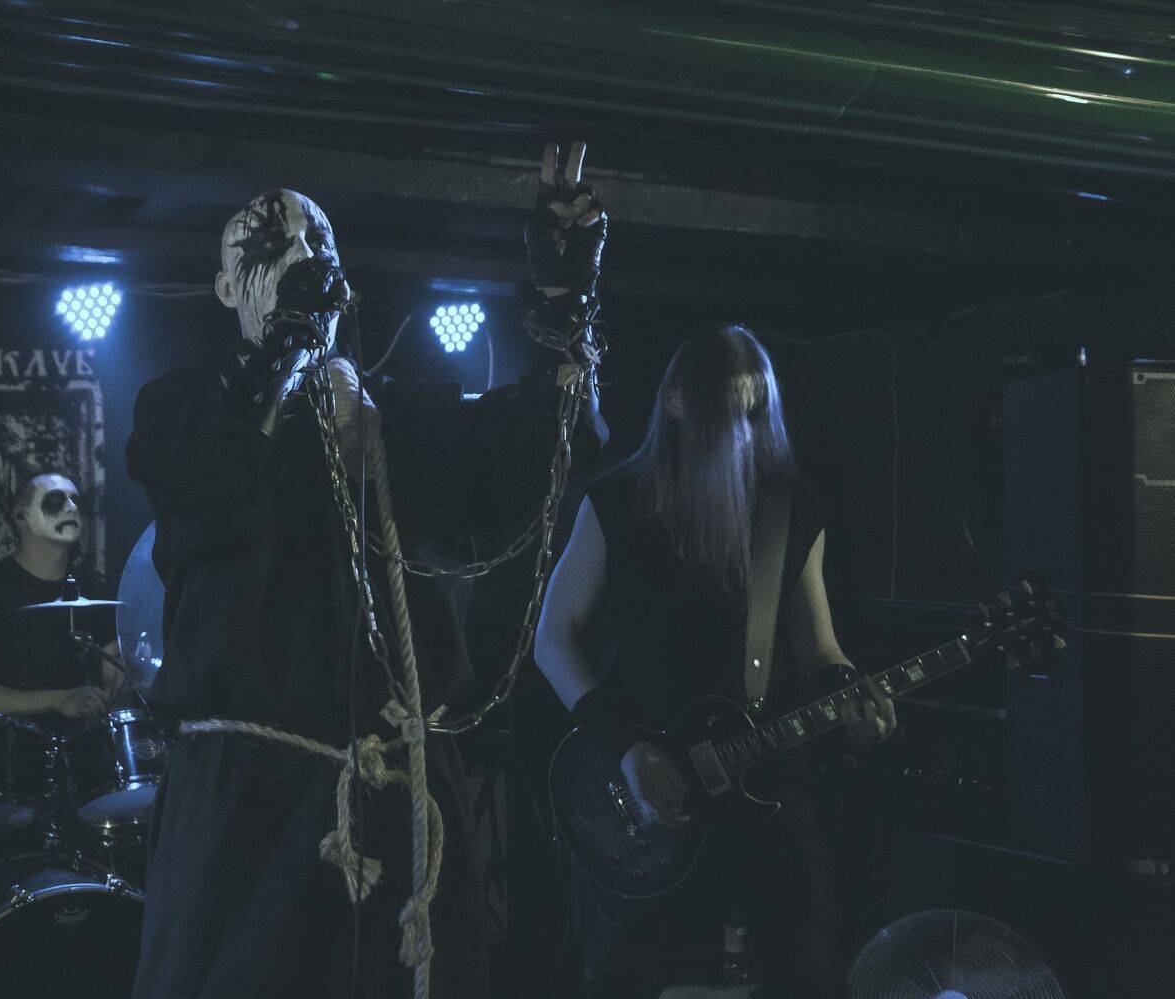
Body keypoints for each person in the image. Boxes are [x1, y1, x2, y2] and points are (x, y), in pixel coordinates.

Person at [126, 143, 608, 997]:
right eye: (272, 247)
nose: (302, 258)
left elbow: (539, 453)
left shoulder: (395, 423)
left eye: (319, 245)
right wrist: (287, 346)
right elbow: (222, 469)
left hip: (393, 793)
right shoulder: (181, 410)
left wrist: (564, 302)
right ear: (227, 288)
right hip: (247, 807)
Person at [534, 324, 898, 998]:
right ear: (676, 402)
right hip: (648, 790)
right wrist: (624, 749)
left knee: (810, 967)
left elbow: (820, 648)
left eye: (756, 414)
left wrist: (856, 700)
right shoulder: (616, 502)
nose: (743, 435)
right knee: (634, 976)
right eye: (727, 413)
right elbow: (552, 638)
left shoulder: (791, 511)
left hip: (767, 778)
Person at [0, 472, 121, 729]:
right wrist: (59, 700)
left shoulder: (96, 591)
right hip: (8, 743)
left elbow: (115, 677)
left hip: (84, 742)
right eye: (55, 500)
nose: (72, 508)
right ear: (21, 516)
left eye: (76, 501)